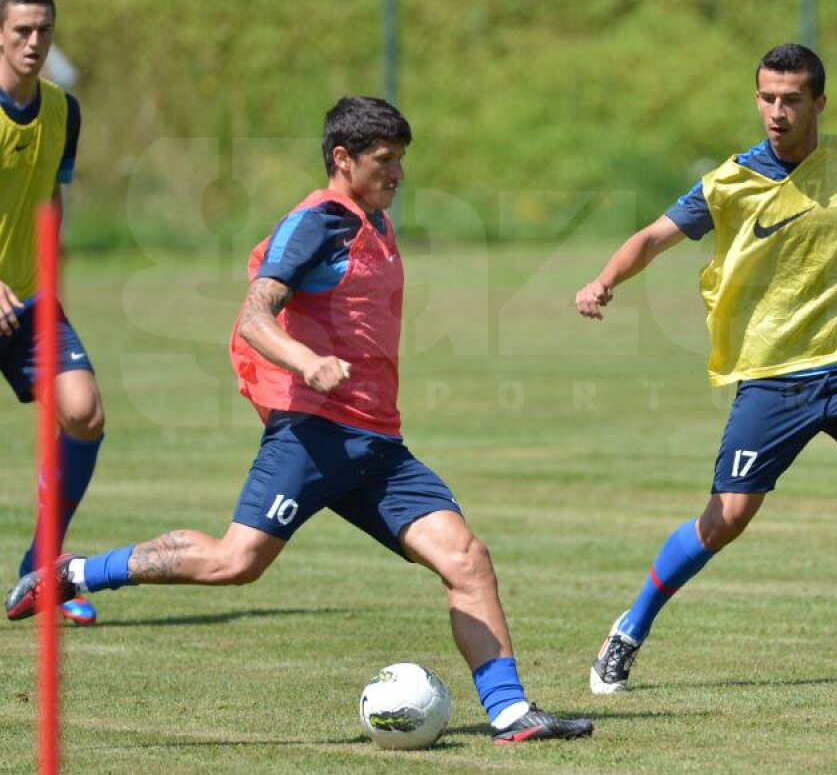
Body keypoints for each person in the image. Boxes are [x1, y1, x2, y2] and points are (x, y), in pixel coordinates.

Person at [7, 96, 594, 745]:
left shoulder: (375, 222)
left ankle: (510, 714)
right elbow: (255, 316)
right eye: (385, 160)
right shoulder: (316, 223)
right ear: (342, 159)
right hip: (311, 435)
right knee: (236, 562)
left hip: (378, 443)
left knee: (466, 557)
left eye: (401, 159)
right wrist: (307, 361)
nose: (398, 173)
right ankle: (77, 574)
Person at [576, 43, 837, 693]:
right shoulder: (730, 182)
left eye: (791, 99)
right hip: (773, 379)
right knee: (726, 519)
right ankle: (628, 628)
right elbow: (654, 235)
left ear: (819, 102)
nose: (777, 111)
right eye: (767, 97)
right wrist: (604, 279)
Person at [0, 0, 103, 626]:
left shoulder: (64, 110)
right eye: (22, 30)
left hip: (30, 302)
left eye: (44, 30)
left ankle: (42, 568)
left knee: (83, 413)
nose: (34, 42)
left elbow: (51, 194)